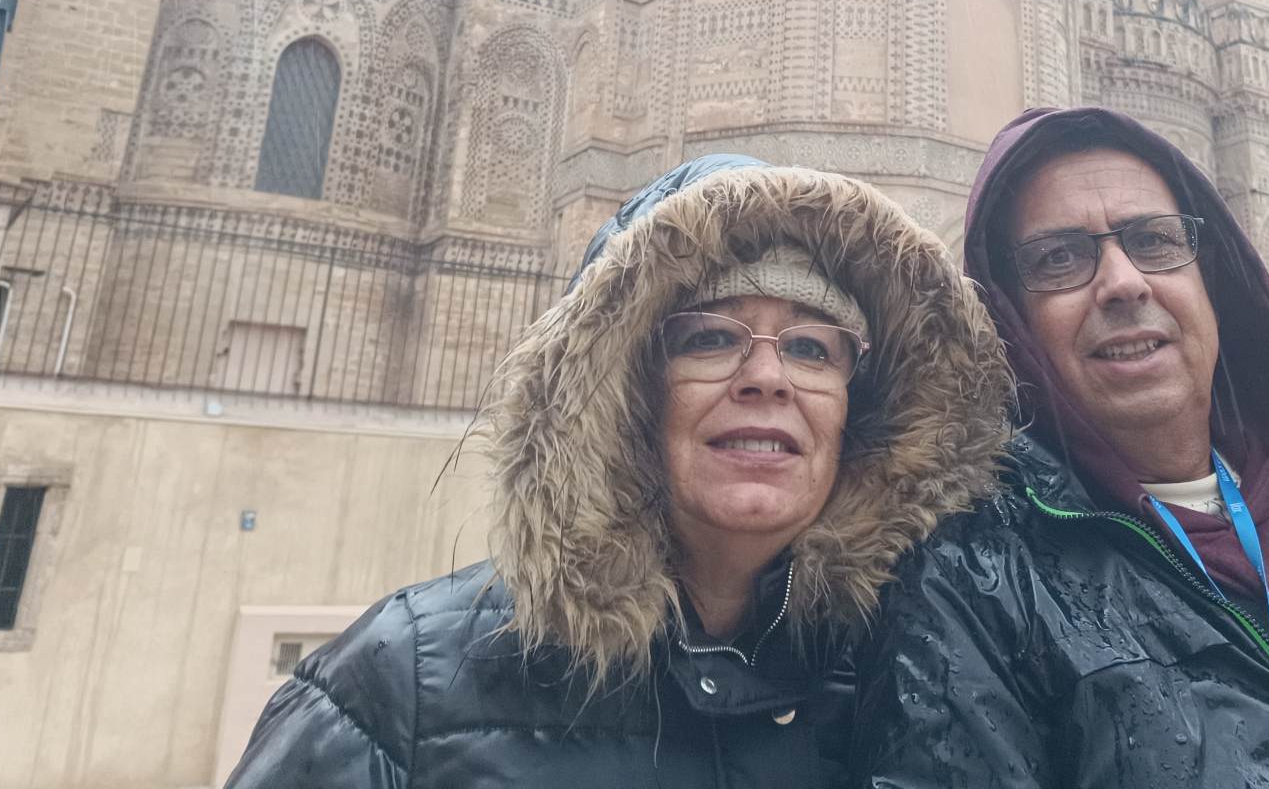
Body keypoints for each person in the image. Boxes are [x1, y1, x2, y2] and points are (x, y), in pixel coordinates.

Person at [225, 158, 1010, 787]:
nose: (767, 378)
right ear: (628, 394)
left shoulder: (924, 676)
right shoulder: (400, 685)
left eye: (810, 348)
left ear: (859, 412)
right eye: (711, 338)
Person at [854, 108, 1269, 788]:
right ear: (1008, 320)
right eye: (1059, 258)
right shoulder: (972, 575)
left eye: (1153, 240)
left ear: (1215, 279)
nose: (1123, 283)